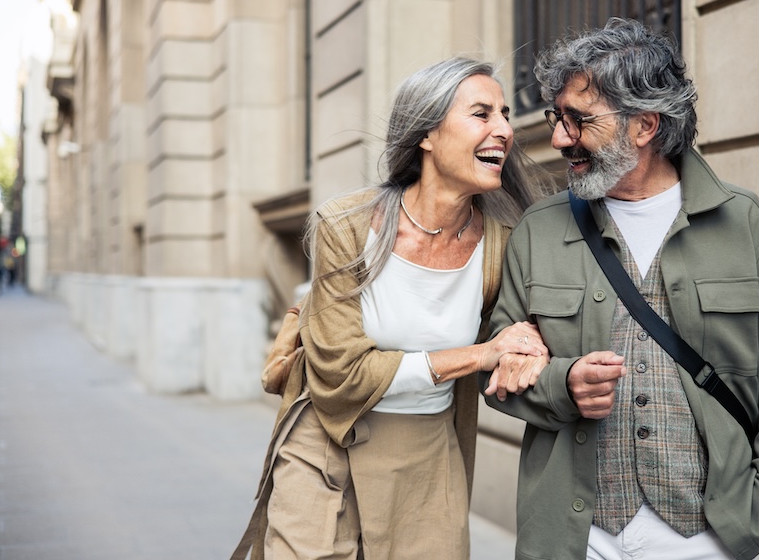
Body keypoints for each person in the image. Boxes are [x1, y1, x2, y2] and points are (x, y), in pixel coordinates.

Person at [481, 18, 759, 560]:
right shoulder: (537, 231)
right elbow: (494, 367)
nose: (560, 137)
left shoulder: (749, 226)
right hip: (574, 540)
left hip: (709, 540)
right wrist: (564, 384)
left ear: (645, 126)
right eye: (556, 117)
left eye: (579, 120)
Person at [232, 57, 553, 560]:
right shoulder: (347, 226)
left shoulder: (504, 244)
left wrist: (523, 355)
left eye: (506, 114)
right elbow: (341, 373)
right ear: (427, 134)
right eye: (482, 114)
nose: (505, 130)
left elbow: (525, 341)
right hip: (326, 441)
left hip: (428, 456)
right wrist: (479, 355)